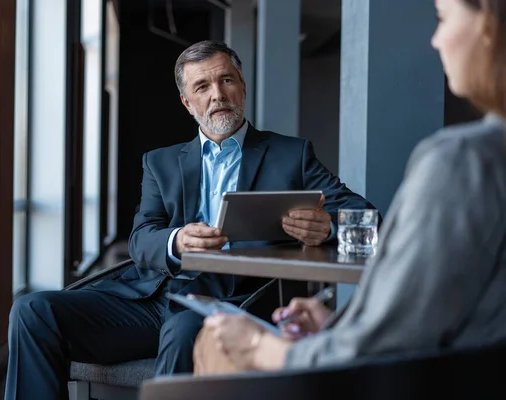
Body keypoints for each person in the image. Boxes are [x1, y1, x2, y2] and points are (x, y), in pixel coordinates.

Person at [4, 40, 376, 399]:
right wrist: (177, 240)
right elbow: (142, 237)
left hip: (236, 299)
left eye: (226, 80)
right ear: (187, 102)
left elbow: (367, 219)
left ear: (242, 87)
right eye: (202, 86)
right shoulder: (160, 162)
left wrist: (328, 226)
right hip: (153, 298)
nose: (218, 94)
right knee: (32, 310)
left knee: (183, 330)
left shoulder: (290, 155)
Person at [193, 0, 506, 375]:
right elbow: (442, 314)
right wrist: (337, 324)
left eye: (442, 18)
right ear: (186, 101)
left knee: (215, 344)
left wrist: (262, 348)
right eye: (202, 86)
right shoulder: (478, 160)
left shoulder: (462, 161)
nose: (435, 40)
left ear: (488, 26)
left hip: (389, 380)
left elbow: (385, 344)